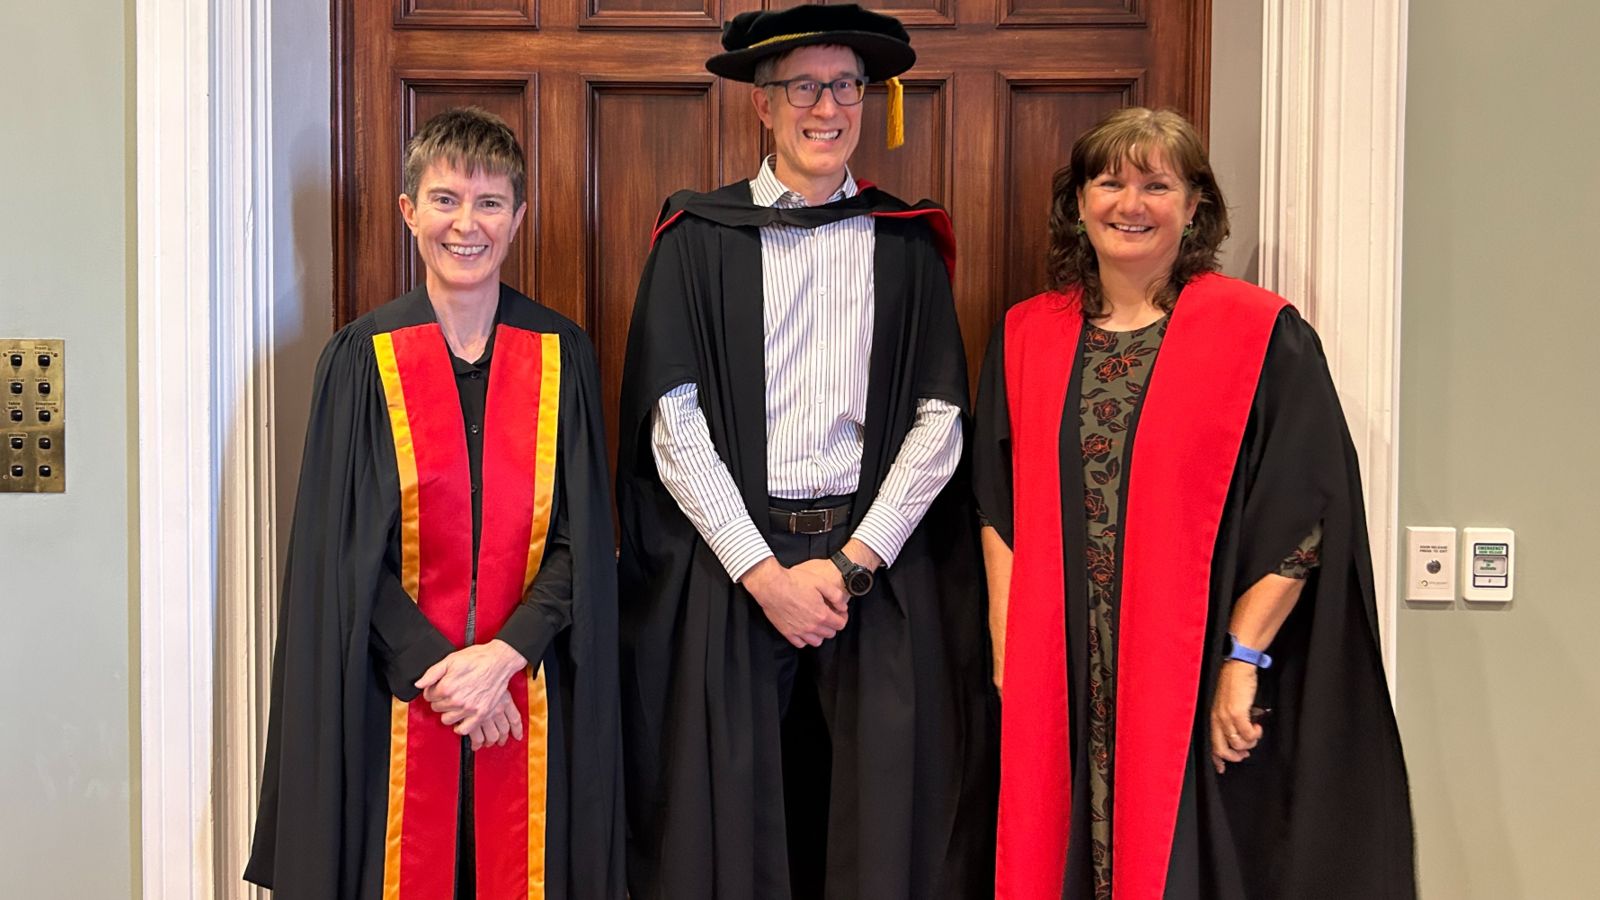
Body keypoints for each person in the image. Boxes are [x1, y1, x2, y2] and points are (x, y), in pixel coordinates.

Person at [974, 107, 1416, 899]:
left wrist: (1241, 662)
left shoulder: (1256, 334)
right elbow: (995, 501)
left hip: (1190, 661)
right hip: (1062, 664)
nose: (1130, 203)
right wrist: (1011, 649)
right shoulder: (1026, 336)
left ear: (1195, 206)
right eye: (1109, 182)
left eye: (1156, 184)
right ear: (1078, 203)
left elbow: (1305, 514)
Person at [615, 5, 997, 898]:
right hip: (735, 571)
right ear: (763, 103)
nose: (828, 107)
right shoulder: (696, 239)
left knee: (874, 827)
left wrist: (857, 563)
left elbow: (940, 420)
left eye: (846, 86)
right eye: (804, 87)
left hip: (874, 571)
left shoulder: (904, 241)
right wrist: (764, 574)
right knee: (734, 830)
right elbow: (674, 424)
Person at [245, 107, 625, 900]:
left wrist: (504, 657)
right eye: (446, 198)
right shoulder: (361, 360)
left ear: (519, 218)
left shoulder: (562, 356)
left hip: (532, 696)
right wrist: (440, 675)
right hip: (395, 698)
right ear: (409, 211)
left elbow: (582, 540)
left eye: (490, 203)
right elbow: (342, 550)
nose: (467, 224)